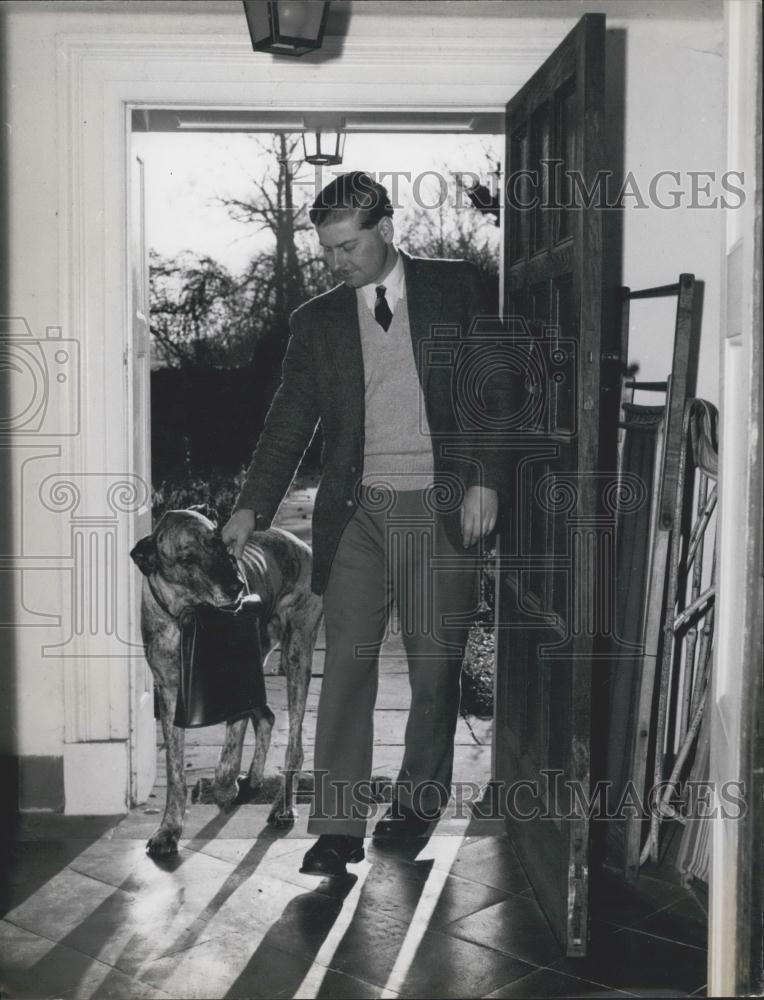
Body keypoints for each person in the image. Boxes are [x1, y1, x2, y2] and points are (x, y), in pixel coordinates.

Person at [222, 171, 506, 878]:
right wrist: (251, 505)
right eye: (326, 252)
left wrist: (488, 481)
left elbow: (500, 388)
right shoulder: (316, 322)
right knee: (345, 667)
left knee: (434, 672)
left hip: (440, 509)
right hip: (357, 516)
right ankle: (339, 825)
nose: (335, 263)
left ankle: (416, 803)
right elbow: (288, 421)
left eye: (346, 248)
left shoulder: (458, 288)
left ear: (385, 229)